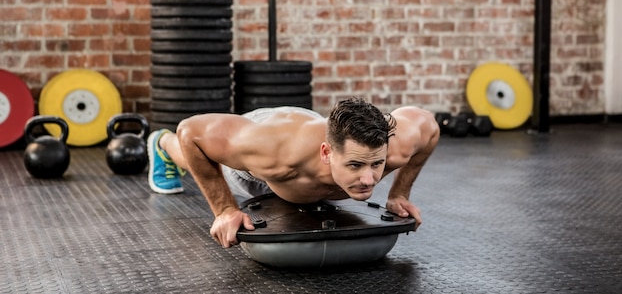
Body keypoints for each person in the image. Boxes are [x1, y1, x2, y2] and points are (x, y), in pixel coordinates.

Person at [147, 97, 440, 248]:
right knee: (190, 157)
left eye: (376, 164)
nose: (368, 179)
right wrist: (224, 208)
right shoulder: (273, 154)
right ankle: (160, 143)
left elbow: (429, 126)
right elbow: (191, 131)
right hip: (267, 150)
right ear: (327, 153)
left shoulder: (395, 147)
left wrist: (399, 193)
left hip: (306, 134)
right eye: (355, 165)